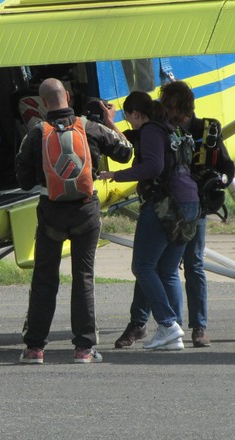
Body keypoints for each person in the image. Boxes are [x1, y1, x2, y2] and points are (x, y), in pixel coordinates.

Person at [16, 78, 133, 364]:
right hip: (85, 210)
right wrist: (110, 121)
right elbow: (126, 152)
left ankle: (34, 349)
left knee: (44, 278)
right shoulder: (89, 128)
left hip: (51, 213)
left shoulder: (35, 134)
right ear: (68, 96)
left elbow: (23, 181)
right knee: (83, 277)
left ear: (43, 103)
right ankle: (84, 349)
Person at [113, 87, 235, 349]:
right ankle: (155, 324)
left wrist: (218, 183)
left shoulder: (205, 130)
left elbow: (227, 167)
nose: (161, 108)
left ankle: (194, 327)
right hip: (185, 203)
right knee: (162, 267)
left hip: (187, 207)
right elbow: (137, 135)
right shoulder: (165, 127)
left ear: (176, 108)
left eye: (166, 104)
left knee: (184, 264)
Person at [99, 83, 199, 351]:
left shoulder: (153, 130)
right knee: (167, 270)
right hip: (190, 202)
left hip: (164, 205)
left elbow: (152, 165)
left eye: (125, 116)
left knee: (142, 267)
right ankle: (174, 332)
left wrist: (115, 176)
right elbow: (137, 143)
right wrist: (110, 123)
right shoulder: (168, 128)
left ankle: (167, 324)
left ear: (135, 114)